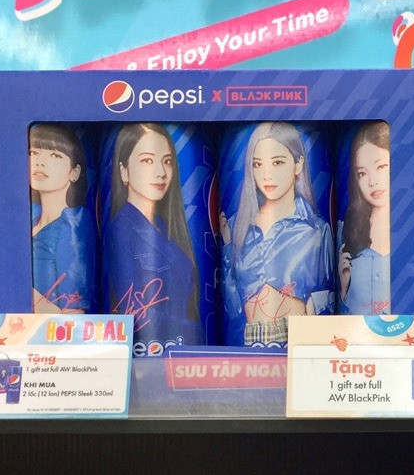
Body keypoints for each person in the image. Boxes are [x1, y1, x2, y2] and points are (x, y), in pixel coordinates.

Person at [221, 122, 333, 346]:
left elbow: (329, 299)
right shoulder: (235, 227)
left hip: (299, 341)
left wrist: (315, 306)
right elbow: (231, 308)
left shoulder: (317, 229)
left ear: (298, 164)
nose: (267, 175)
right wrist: (227, 249)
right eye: (257, 164)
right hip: (247, 343)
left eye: (278, 162)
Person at [103, 122, 202, 349]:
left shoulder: (165, 228)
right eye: (147, 160)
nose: (160, 172)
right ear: (124, 171)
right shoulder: (121, 230)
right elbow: (137, 311)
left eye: (167, 161)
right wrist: (197, 332)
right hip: (149, 350)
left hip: (180, 352)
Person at [29, 123, 98, 313]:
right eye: (33, 153)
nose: (40, 162)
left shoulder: (73, 227)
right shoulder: (30, 218)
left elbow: (74, 316)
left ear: (74, 172)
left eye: (55, 155)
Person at [338, 121, 391, 315]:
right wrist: (344, 288)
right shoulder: (345, 232)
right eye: (362, 173)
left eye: (381, 167)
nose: (372, 182)